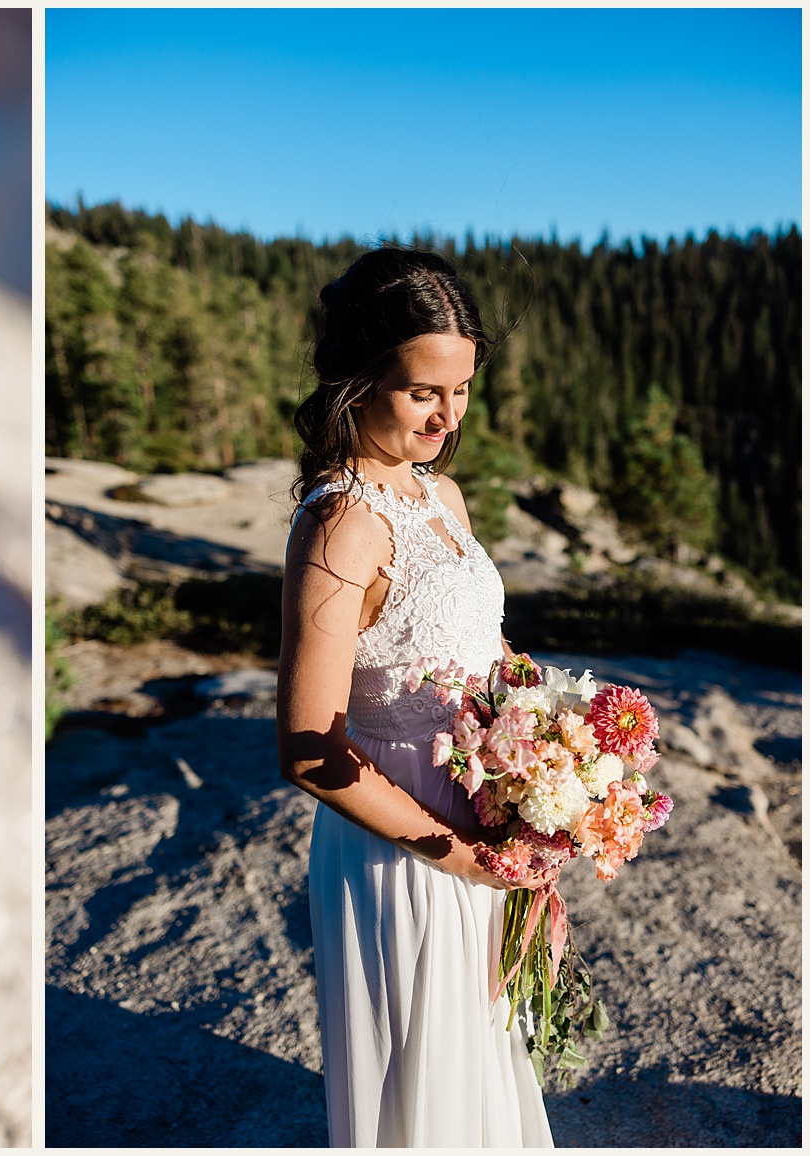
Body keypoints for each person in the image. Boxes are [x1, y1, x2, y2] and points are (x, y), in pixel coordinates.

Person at [274, 248, 553, 1147]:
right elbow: (309, 748)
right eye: (422, 392)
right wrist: (458, 855)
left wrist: (552, 758)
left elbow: (476, 644)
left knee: (480, 1060)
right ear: (361, 379)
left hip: (484, 807)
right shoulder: (340, 524)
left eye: (462, 389)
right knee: (423, 1085)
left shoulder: (443, 497)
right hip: (402, 842)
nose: (448, 415)